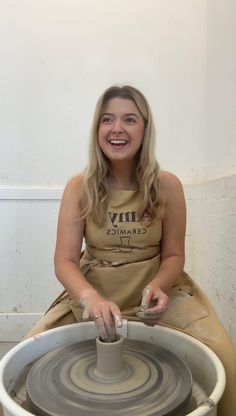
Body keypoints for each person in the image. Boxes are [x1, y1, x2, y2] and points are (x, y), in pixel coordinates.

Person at [26, 85, 235, 415]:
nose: (117, 129)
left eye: (129, 120)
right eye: (107, 120)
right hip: (95, 287)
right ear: (97, 129)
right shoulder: (79, 187)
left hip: (154, 287)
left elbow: (174, 256)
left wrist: (157, 288)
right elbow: (65, 260)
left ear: (145, 128)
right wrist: (90, 298)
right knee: (27, 358)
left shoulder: (168, 185)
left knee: (225, 357)